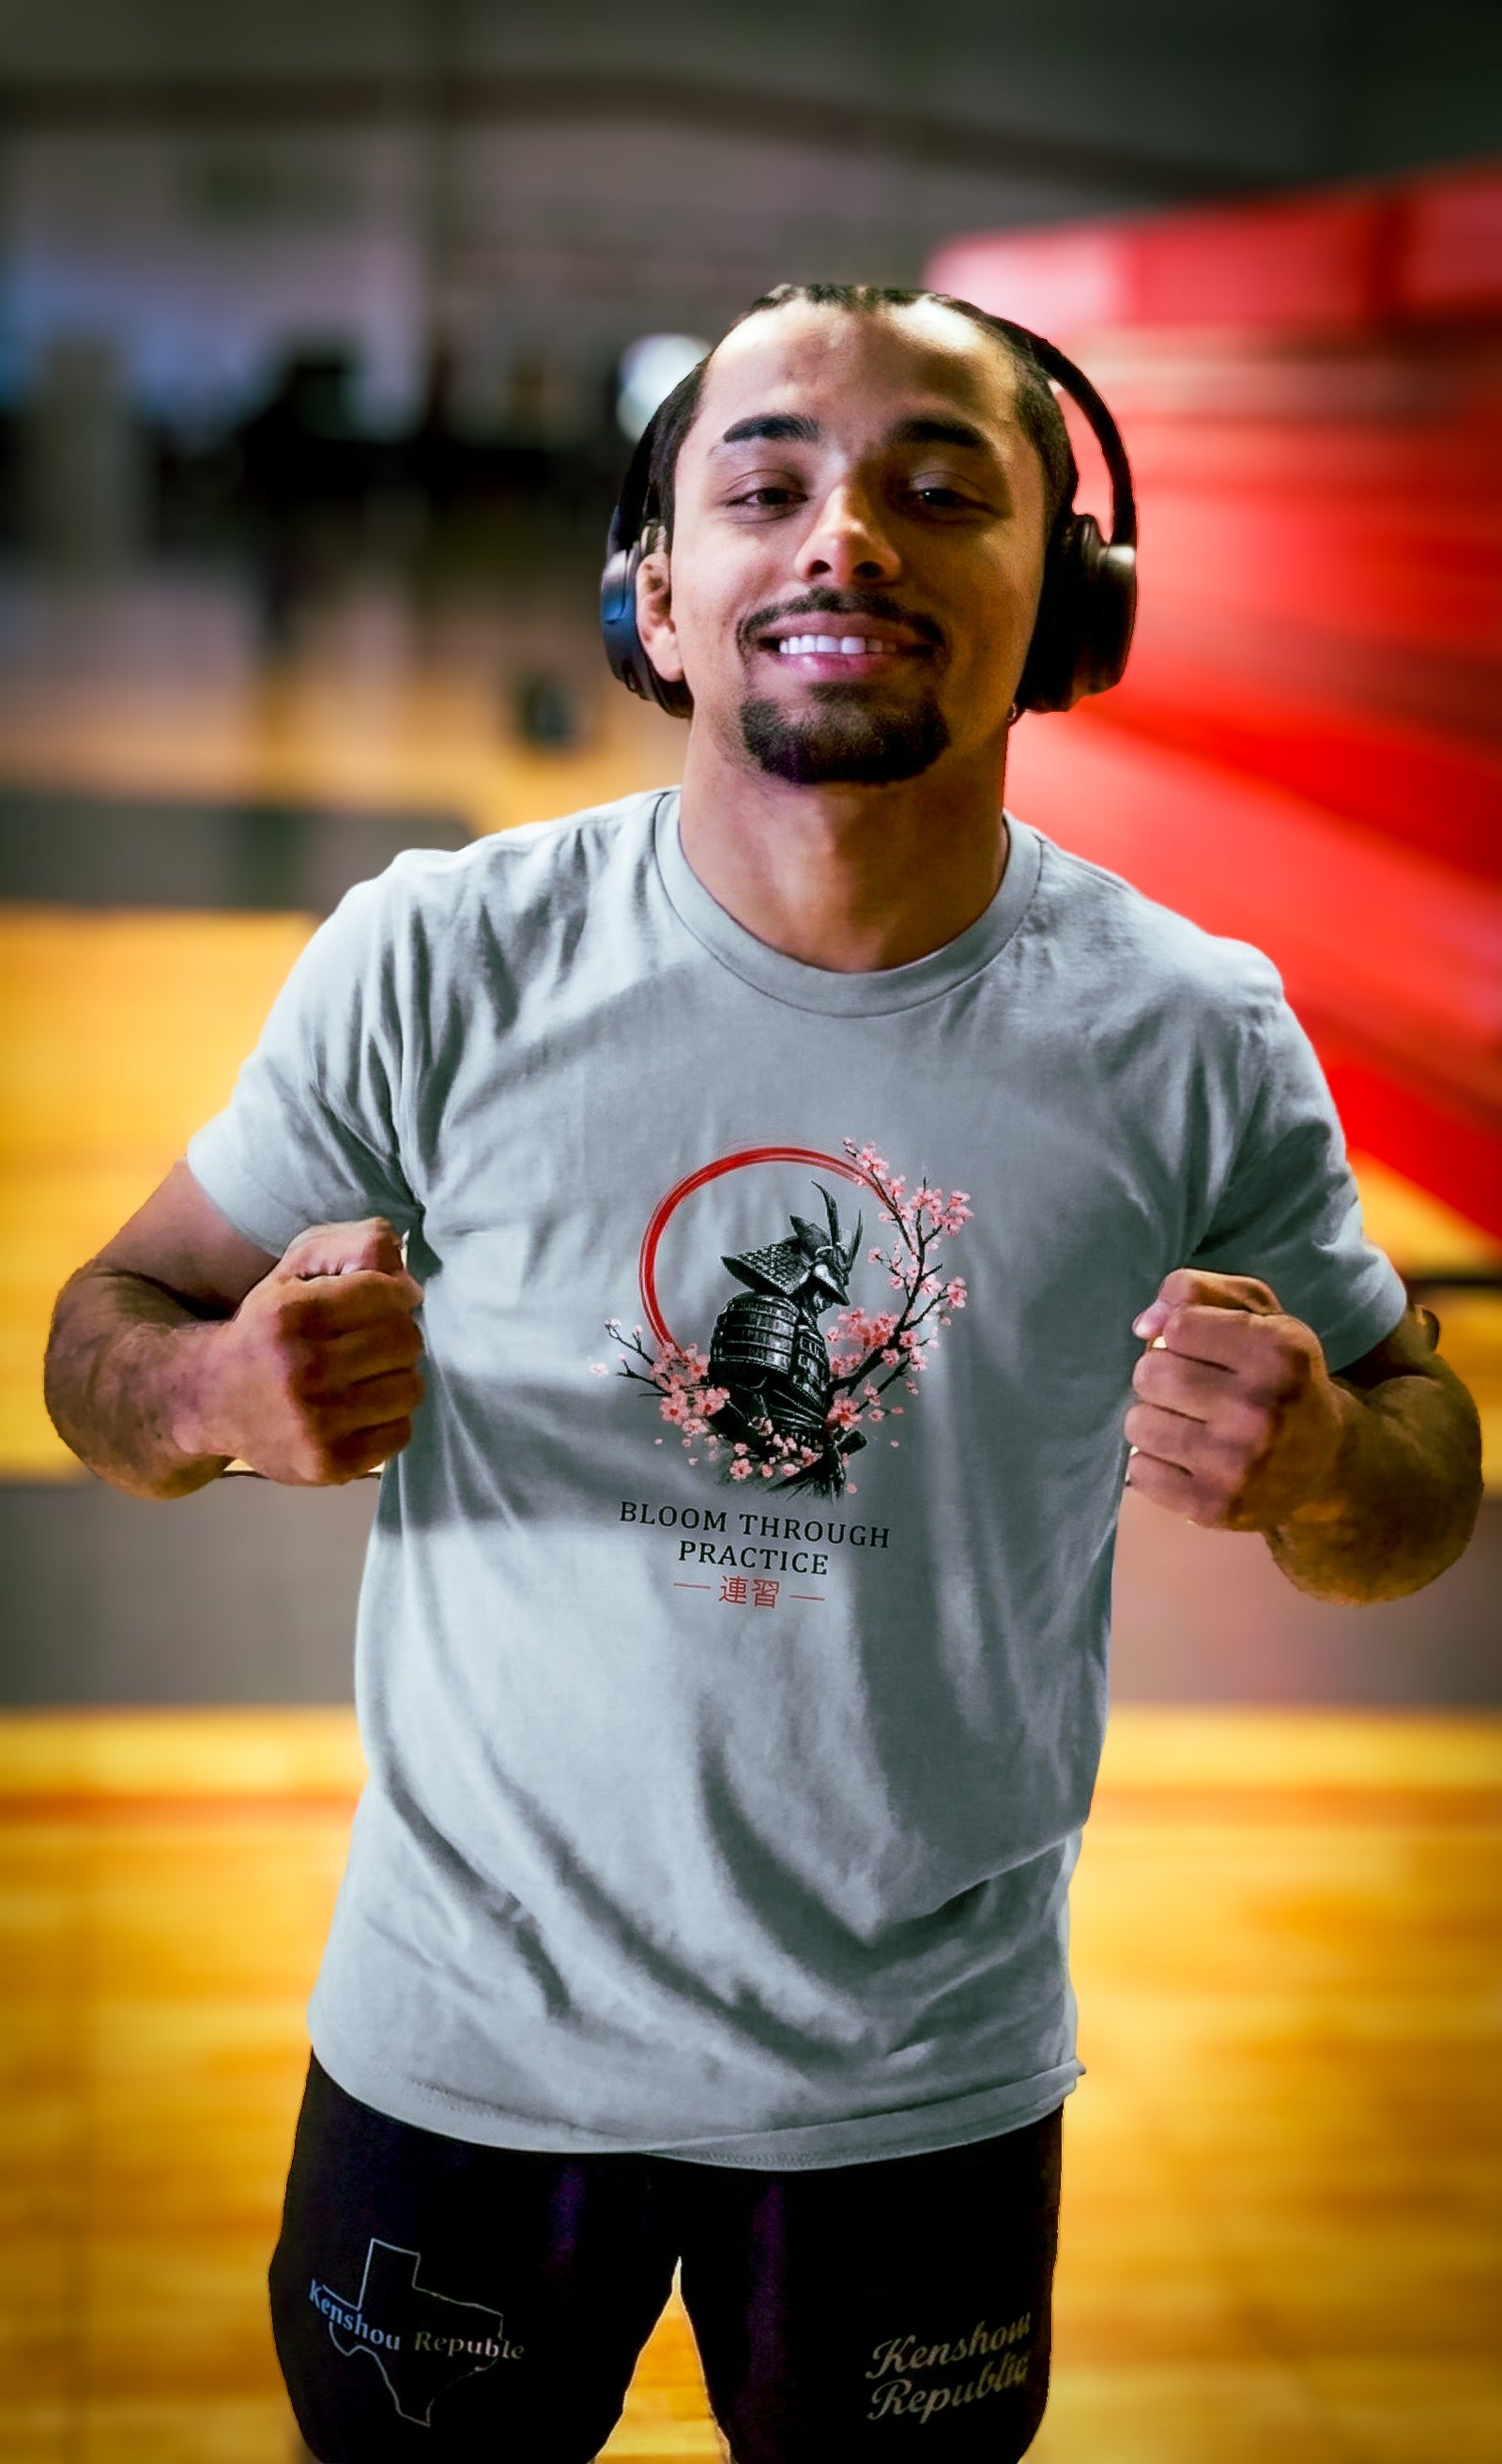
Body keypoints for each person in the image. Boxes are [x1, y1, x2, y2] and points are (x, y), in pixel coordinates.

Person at [44, 285, 1481, 2464]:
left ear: (1064, 608)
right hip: (461, 2063)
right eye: (766, 485)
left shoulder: (1186, 1032)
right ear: (660, 593)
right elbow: (99, 1336)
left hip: (920, 2088)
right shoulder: (437, 959)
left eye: (936, 490)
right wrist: (215, 1396)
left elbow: (1426, 1476)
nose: (844, 540)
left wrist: (1317, 1472)